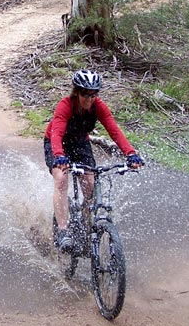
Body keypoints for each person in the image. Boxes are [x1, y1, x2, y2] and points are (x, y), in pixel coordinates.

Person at [43, 69, 144, 251]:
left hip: (80, 142)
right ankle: (64, 231)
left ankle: (84, 223)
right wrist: (59, 156)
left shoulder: (99, 107)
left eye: (93, 95)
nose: (89, 99)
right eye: (84, 94)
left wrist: (130, 153)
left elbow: (114, 131)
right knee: (61, 179)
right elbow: (56, 132)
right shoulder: (65, 105)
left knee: (90, 182)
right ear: (76, 92)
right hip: (56, 143)